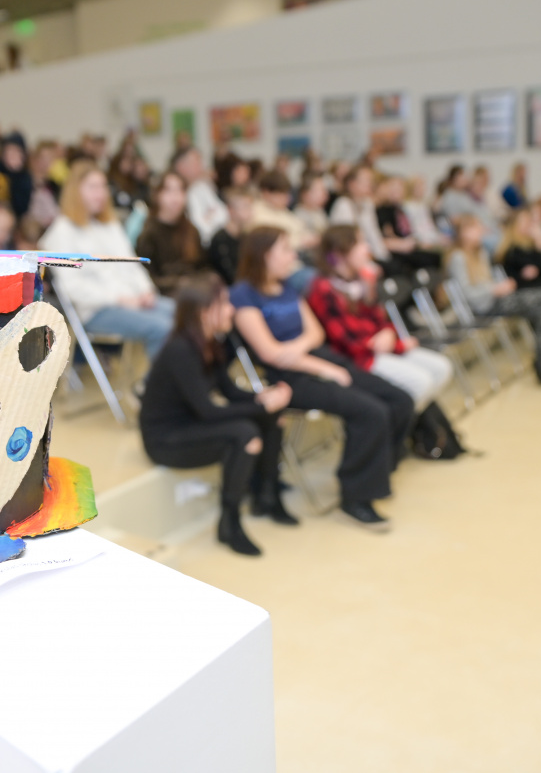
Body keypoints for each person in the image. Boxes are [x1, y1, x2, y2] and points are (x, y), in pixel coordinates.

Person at [232, 226, 414, 529]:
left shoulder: (285, 287)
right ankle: (356, 498)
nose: (292, 255)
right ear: (263, 255)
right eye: (284, 250)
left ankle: (380, 470)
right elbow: (270, 353)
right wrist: (322, 367)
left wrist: (298, 348)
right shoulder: (243, 295)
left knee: (400, 400)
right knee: (371, 412)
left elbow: (315, 332)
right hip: (289, 379)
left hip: (317, 359)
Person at [141, 274, 295, 556]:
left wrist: (263, 397)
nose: (231, 309)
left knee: (272, 417)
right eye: (223, 303)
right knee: (245, 433)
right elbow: (209, 410)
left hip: (192, 423)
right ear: (204, 312)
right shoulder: (180, 349)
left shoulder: (211, 342)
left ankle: (267, 495)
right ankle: (230, 522)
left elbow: (229, 391)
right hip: (166, 439)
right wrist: (263, 407)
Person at [307, 226, 462, 457]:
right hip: (357, 359)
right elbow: (347, 341)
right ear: (340, 253)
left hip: (380, 348)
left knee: (441, 367)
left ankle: (400, 427)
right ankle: (394, 433)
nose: (366, 249)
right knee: (421, 382)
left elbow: (381, 321)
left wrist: (391, 336)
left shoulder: (359, 280)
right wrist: (395, 344)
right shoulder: (323, 289)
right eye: (359, 244)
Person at [39, 160, 173, 361]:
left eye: (103, 186)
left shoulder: (109, 225)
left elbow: (131, 264)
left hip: (132, 299)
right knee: (163, 327)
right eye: (93, 187)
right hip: (97, 310)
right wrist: (119, 299)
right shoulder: (61, 232)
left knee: (185, 316)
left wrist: (147, 290)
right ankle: (159, 380)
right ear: (75, 191)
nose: (100, 193)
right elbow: (72, 288)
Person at [447, 215, 541, 384]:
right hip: (484, 305)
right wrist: (494, 289)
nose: (480, 231)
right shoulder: (458, 257)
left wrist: (500, 285)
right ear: (463, 233)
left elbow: (486, 280)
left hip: (495, 299)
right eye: (474, 228)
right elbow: (466, 293)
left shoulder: (480, 253)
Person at [136, 171, 208, 295]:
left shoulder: (191, 230)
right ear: (157, 195)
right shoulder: (148, 235)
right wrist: (179, 283)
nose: (175, 197)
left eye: (180, 190)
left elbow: (203, 266)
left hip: (194, 292)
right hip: (166, 294)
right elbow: (146, 278)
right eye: (169, 190)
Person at [250, 170, 316, 293]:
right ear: (266, 193)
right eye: (282, 194)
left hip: (299, 261)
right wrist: (301, 241)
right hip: (284, 269)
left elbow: (302, 229)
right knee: (316, 281)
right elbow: (268, 244)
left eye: (287, 194)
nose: (287, 199)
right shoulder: (256, 214)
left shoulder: (283, 212)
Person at [374, 175, 445, 276]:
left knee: (436, 257)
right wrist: (406, 244)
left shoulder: (400, 209)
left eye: (400, 188)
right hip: (398, 250)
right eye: (394, 188)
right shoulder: (383, 211)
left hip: (409, 244)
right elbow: (388, 237)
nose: (398, 191)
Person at [330, 164, 391, 263]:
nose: (370, 184)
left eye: (370, 180)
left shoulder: (367, 204)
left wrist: (384, 257)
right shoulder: (343, 204)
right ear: (352, 184)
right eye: (366, 180)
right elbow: (346, 241)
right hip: (349, 258)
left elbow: (374, 234)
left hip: (366, 254)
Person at [171, 147, 228, 241]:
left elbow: (224, 214)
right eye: (196, 162)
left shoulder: (202, 186)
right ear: (181, 166)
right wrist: (209, 217)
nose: (202, 166)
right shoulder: (173, 192)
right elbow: (197, 227)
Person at [207, 187, 253, 285]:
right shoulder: (220, 239)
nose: (250, 212)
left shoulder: (246, 237)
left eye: (250, 207)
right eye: (245, 207)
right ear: (230, 210)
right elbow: (229, 275)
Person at [294, 171, 330, 237]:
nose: (325, 193)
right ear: (305, 194)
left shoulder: (319, 212)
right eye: (321, 190)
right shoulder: (298, 217)